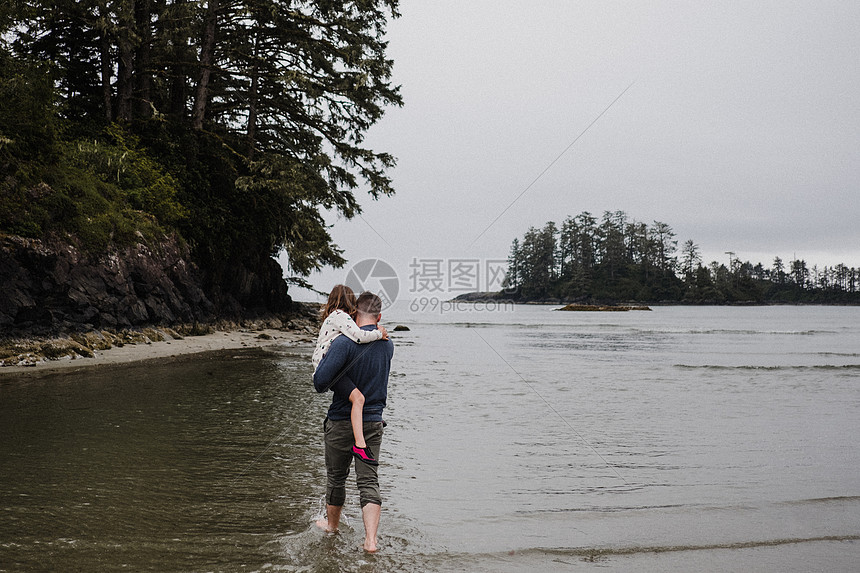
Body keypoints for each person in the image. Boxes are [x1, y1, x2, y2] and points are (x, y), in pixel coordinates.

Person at [313, 291, 394, 553]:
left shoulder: (344, 343)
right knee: (369, 481)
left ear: (353, 314)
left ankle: (332, 527)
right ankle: (371, 540)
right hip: (372, 422)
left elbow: (320, 381)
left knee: (336, 478)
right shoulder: (387, 344)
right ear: (379, 316)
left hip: (339, 421)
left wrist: (342, 381)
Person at [313, 285, 389, 465]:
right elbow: (358, 336)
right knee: (358, 398)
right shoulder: (341, 317)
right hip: (327, 368)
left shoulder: (335, 322)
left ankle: (362, 440)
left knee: (358, 398)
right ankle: (360, 444)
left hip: (326, 367)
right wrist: (378, 334)